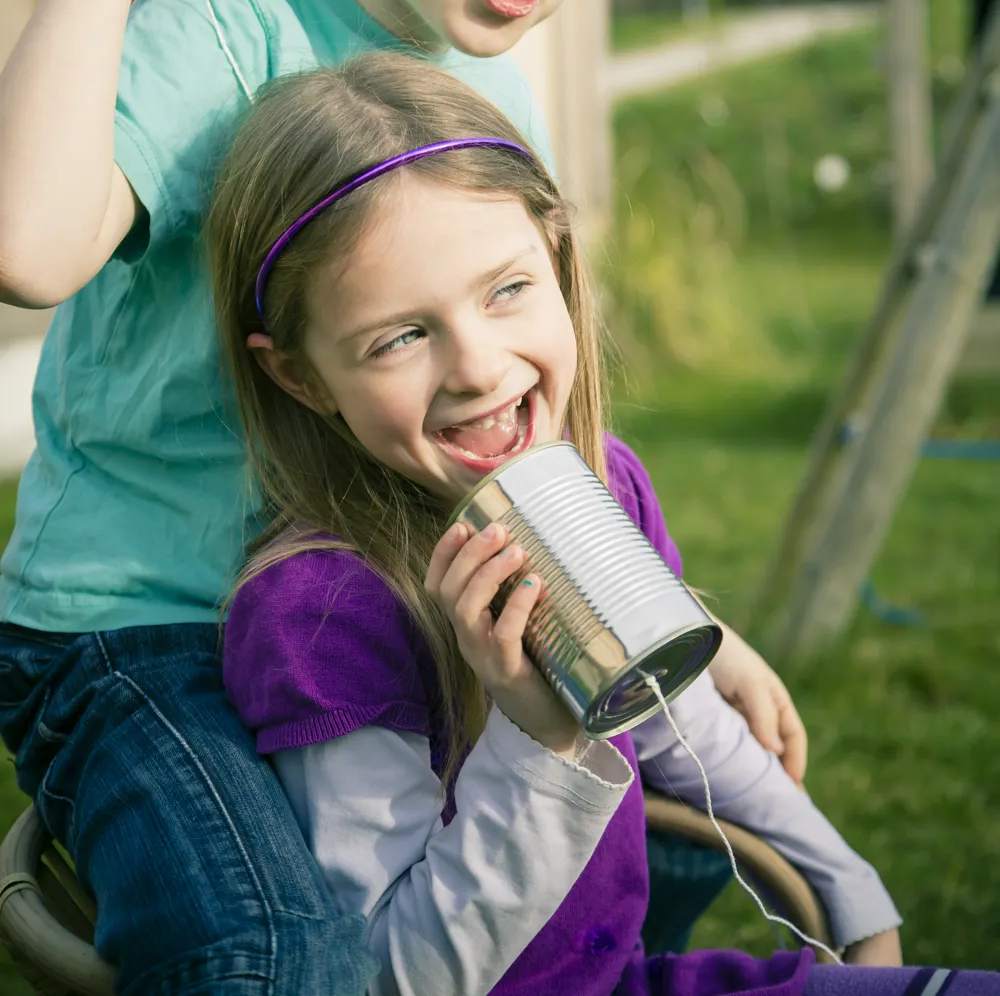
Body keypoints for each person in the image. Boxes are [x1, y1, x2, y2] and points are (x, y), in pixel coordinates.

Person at [0, 0, 804, 992]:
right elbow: (24, 244)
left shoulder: (489, 98)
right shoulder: (224, 26)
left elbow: (497, 423)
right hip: (146, 630)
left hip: (350, 613)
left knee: (639, 848)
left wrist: (683, 621)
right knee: (279, 961)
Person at [212, 52, 914, 996]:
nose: (477, 367)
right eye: (400, 337)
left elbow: (678, 722)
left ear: (560, 259)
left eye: (508, 290)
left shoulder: (600, 484)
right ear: (300, 377)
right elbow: (394, 977)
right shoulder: (324, 612)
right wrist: (534, 734)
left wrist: (854, 897)